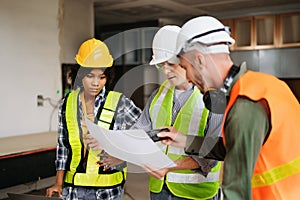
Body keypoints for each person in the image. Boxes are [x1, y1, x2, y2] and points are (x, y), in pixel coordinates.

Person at [157, 16, 300, 199]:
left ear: (200, 60)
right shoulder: (266, 85)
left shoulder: (245, 105)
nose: (189, 78)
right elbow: (236, 146)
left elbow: (236, 192)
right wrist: (186, 140)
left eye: (186, 67)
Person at [131, 25, 223, 200]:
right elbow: (140, 133)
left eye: (171, 64)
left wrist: (169, 166)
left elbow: (214, 152)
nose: (166, 71)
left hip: (196, 193)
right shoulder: (159, 94)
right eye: (161, 66)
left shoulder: (214, 97)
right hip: (159, 190)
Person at [46, 38, 142, 200]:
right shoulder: (67, 103)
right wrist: (58, 182)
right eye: (90, 76)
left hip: (107, 190)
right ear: (80, 74)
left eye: (102, 77)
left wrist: (122, 156)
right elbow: (63, 146)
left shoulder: (120, 103)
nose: (96, 83)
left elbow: (144, 134)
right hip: (73, 189)